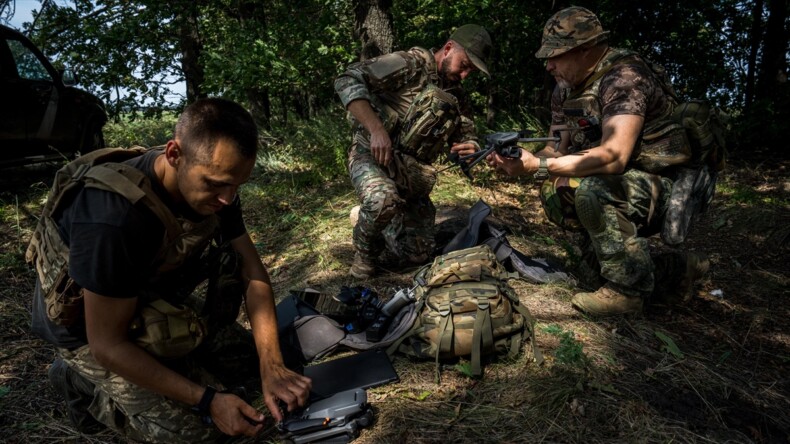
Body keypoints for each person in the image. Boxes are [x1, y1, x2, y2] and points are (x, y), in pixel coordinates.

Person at [28, 98, 311, 442]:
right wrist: (208, 400)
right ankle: (77, 379)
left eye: (237, 186)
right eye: (216, 183)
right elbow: (106, 343)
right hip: (87, 332)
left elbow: (253, 274)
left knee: (252, 364)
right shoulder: (112, 216)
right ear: (174, 154)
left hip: (146, 301)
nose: (227, 198)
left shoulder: (219, 190)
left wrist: (272, 366)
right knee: (200, 434)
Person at [482, 7, 709, 316]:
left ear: (586, 49)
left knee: (591, 190)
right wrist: (524, 163)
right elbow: (555, 148)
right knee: (556, 192)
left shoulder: (625, 78)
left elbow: (614, 156)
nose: (548, 65)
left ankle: (628, 293)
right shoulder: (565, 90)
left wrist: (540, 167)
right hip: (622, 182)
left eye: (556, 55)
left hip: (665, 186)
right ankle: (677, 270)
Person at [334, 24, 492, 279]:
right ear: (449, 48)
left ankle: (377, 219)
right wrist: (376, 129)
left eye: (471, 71)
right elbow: (347, 78)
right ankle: (365, 252)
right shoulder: (408, 64)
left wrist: (470, 146)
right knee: (381, 200)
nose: (464, 75)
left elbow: (466, 132)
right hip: (371, 157)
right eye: (464, 65)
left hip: (410, 174)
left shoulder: (454, 93)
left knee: (416, 256)